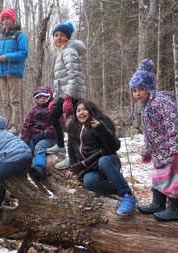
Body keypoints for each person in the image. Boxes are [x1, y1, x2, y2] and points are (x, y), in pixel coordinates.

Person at [130, 59, 178, 221]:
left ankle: (174, 210)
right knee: (160, 176)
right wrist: (146, 152)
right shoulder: (148, 105)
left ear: (149, 88)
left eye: (141, 89)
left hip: (177, 150)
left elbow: (176, 124)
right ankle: (158, 203)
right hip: (162, 151)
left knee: (177, 178)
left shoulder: (161, 103)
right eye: (134, 90)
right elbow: (149, 133)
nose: (137, 93)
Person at [65, 99, 138, 216]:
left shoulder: (100, 123)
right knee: (89, 182)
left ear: (91, 110)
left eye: (84, 109)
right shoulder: (73, 127)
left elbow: (113, 146)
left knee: (104, 161)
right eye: (78, 110)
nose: (81, 113)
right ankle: (118, 189)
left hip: (107, 162)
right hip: (89, 167)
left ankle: (127, 195)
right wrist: (73, 167)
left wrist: (101, 128)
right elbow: (71, 149)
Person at [46, 21, 87, 171]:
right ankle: (61, 146)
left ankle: (72, 157)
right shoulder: (62, 52)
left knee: (72, 126)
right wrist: (55, 100)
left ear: (67, 37)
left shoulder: (69, 51)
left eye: (62, 35)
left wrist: (69, 97)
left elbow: (73, 75)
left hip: (73, 94)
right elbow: (60, 81)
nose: (58, 38)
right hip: (65, 94)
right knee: (54, 117)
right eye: (56, 35)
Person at [0, 8, 28, 135]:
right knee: (5, 100)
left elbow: (24, 53)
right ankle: (6, 124)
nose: (5, 21)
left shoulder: (19, 35)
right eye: (3, 19)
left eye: (8, 18)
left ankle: (16, 126)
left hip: (14, 72)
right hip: (2, 72)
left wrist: (7, 57)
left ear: (13, 19)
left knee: (14, 100)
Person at [20, 86, 56, 181]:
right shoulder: (33, 111)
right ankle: (22, 176)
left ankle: (39, 168)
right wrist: (25, 140)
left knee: (40, 146)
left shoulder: (53, 109)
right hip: (33, 138)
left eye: (45, 96)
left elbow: (56, 126)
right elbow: (26, 126)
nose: (42, 99)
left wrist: (43, 134)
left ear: (49, 97)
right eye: (40, 97)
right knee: (25, 152)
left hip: (49, 139)